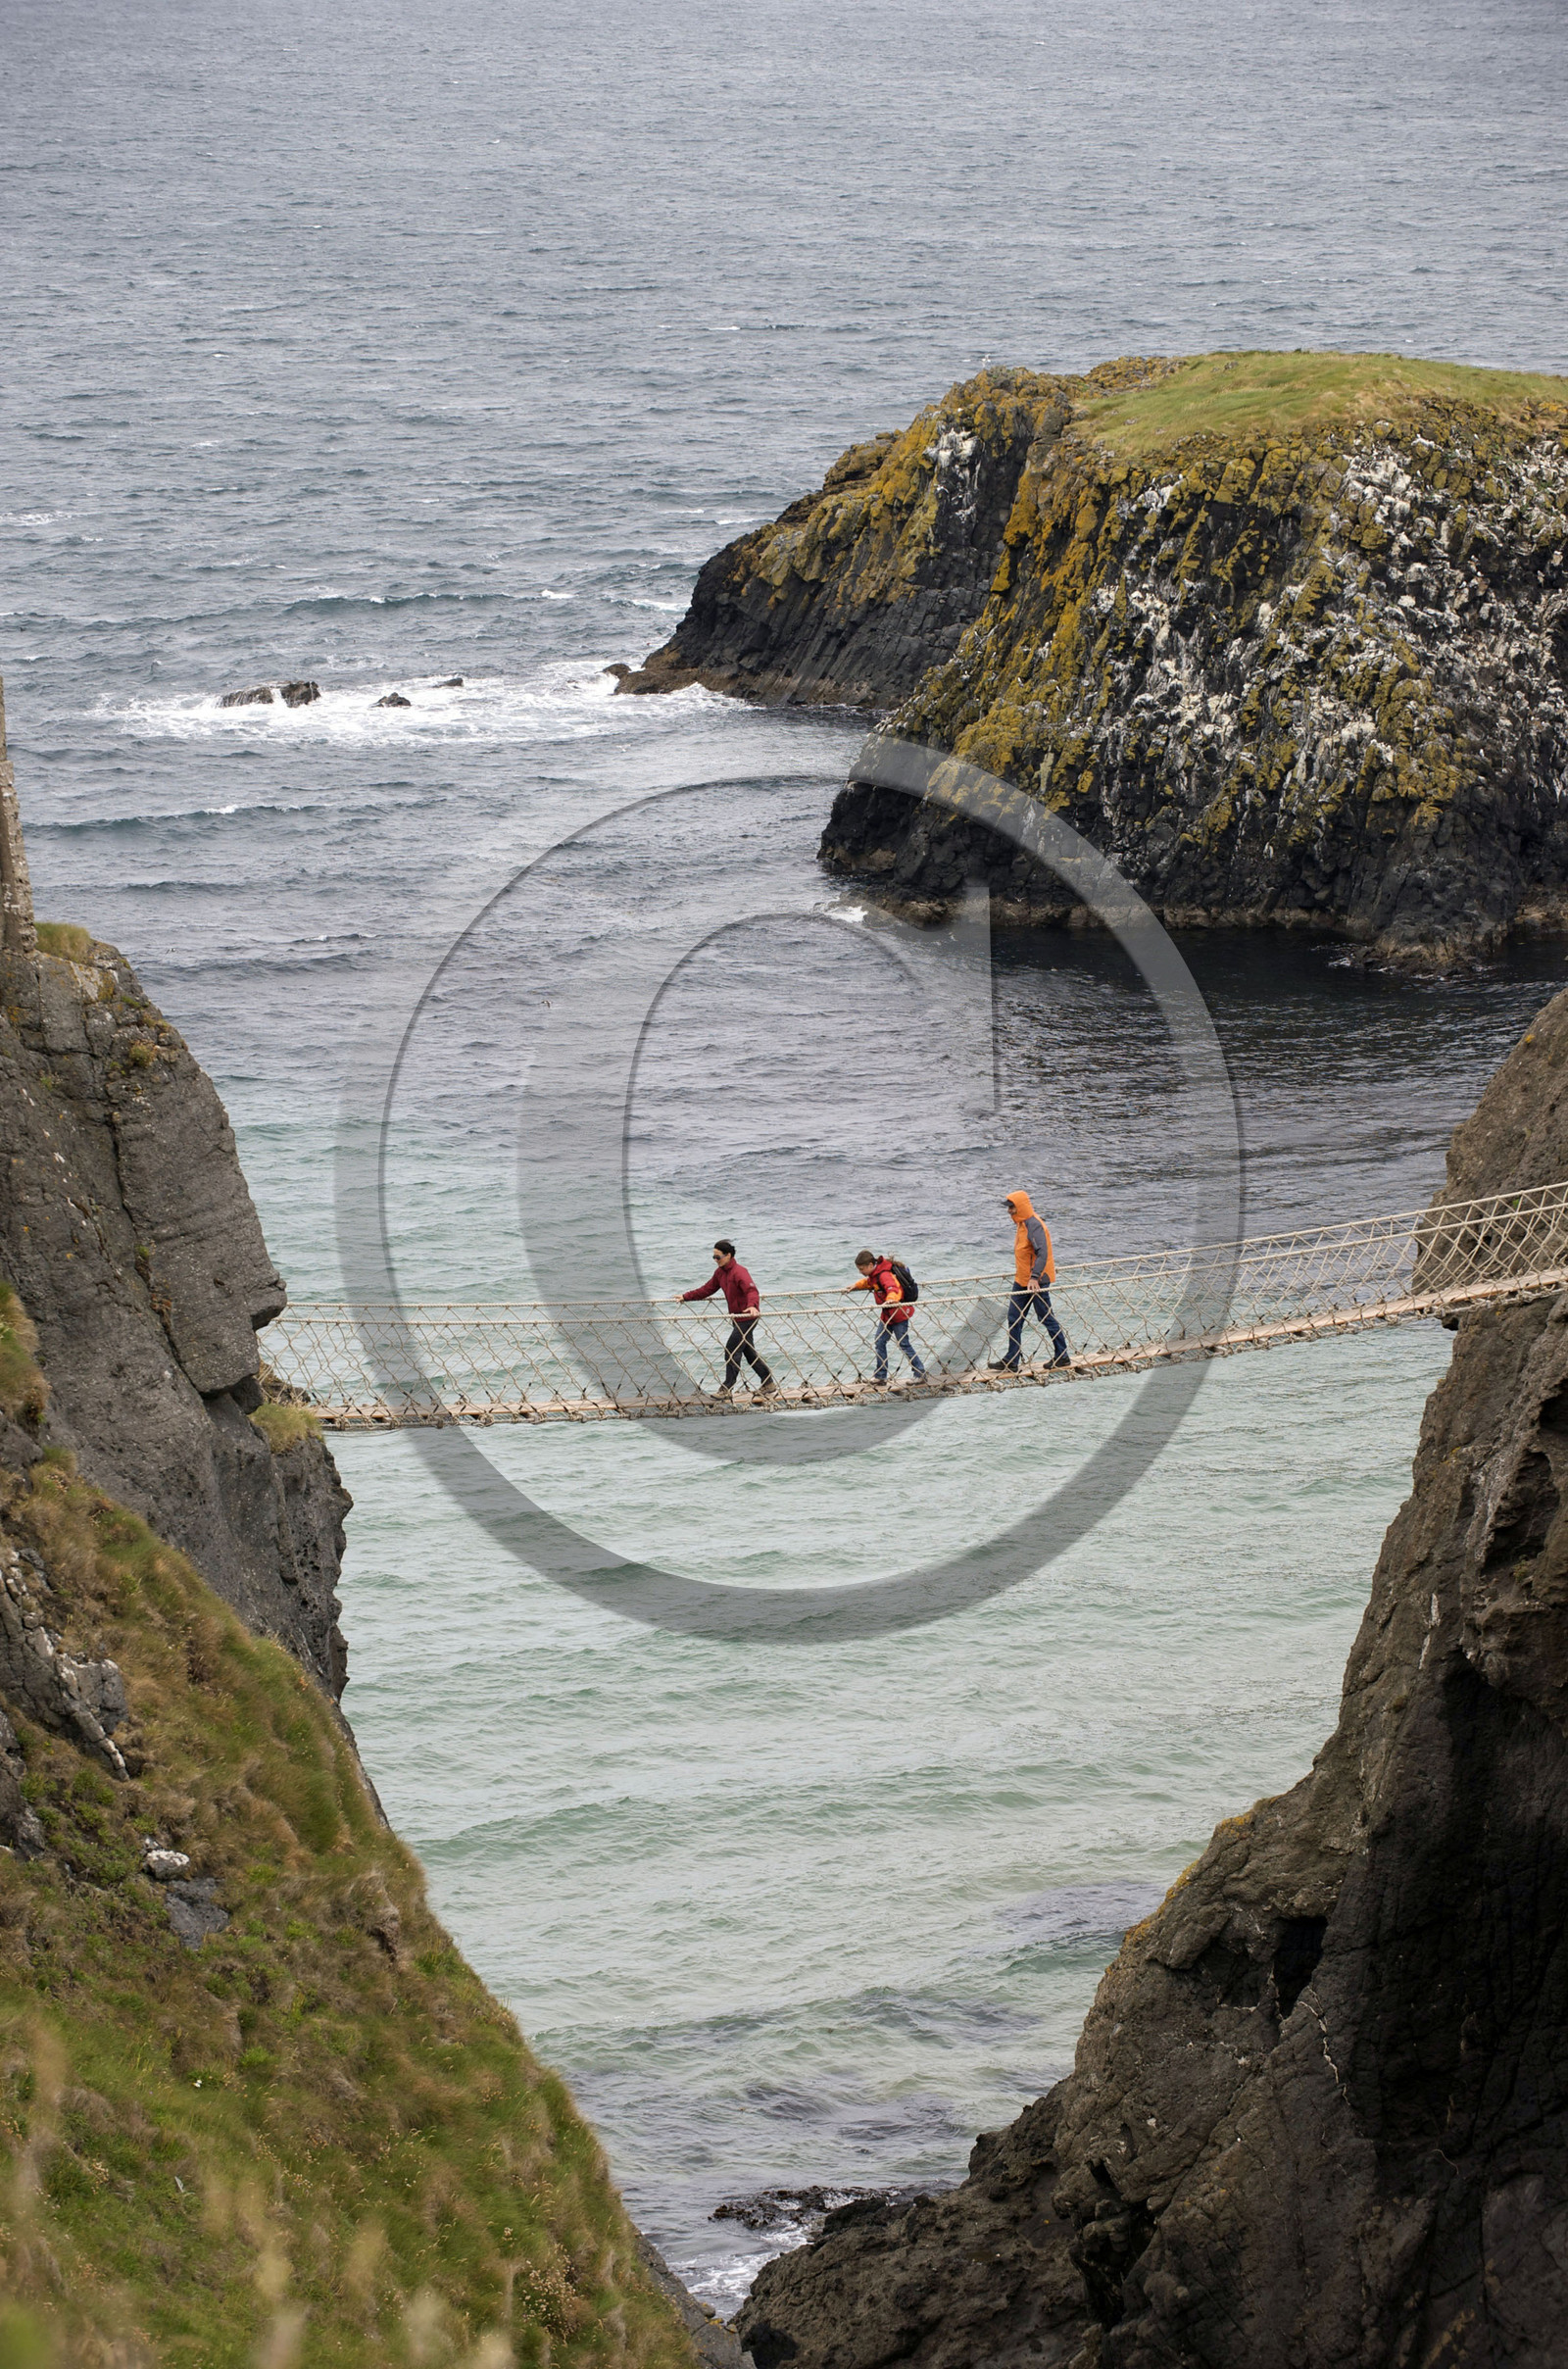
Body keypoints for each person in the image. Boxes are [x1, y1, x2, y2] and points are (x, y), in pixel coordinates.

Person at [680, 1239, 776, 1397]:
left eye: (718, 1257)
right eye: (713, 1257)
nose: (715, 1260)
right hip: (736, 1318)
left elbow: (751, 1290)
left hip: (748, 1317)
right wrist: (686, 1296)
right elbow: (707, 1289)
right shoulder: (720, 1273)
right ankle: (768, 1383)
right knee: (749, 1353)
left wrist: (753, 1305)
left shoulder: (739, 1272)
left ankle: (727, 1388)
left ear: (728, 1255)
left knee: (731, 1350)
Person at [991, 1189, 1070, 1370]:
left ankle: (1063, 1355)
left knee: (1045, 1317)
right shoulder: (1021, 1224)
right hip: (1022, 1280)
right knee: (1014, 1317)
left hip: (1037, 1281)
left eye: (1011, 1207)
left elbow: (1043, 1253)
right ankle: (1012, 1360)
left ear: (1020, 1207)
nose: (1009, 1211)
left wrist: (1035, 1277)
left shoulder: (1034, 1224)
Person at [844, 1250, 926, 1385]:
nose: (861, 1272)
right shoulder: (875, 1274)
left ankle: (920, 1373)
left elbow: (893, 1288)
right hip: (887, 1314)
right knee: (879, 1341)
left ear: (871, 1265)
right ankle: (881, 1376)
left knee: (903, 1344)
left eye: (862, 1269)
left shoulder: (884, 1274)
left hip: (898, 1314)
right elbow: (868, 1283)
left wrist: (891, 1299)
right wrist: (855, 1286)